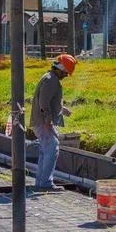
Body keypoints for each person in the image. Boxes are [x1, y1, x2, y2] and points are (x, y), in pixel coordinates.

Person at [29, 53, 76, 191]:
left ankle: (40, 182)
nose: (65, 76)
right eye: (65, 73)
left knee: (46, 150)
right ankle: (45, 184)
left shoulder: (48, 77)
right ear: (60, 68)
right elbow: (44, 102)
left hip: (40, 121)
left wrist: (62, 110)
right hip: (43, 122)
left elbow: (49, 100)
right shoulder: (51, 80)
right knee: (52, 148)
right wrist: (48, 119)